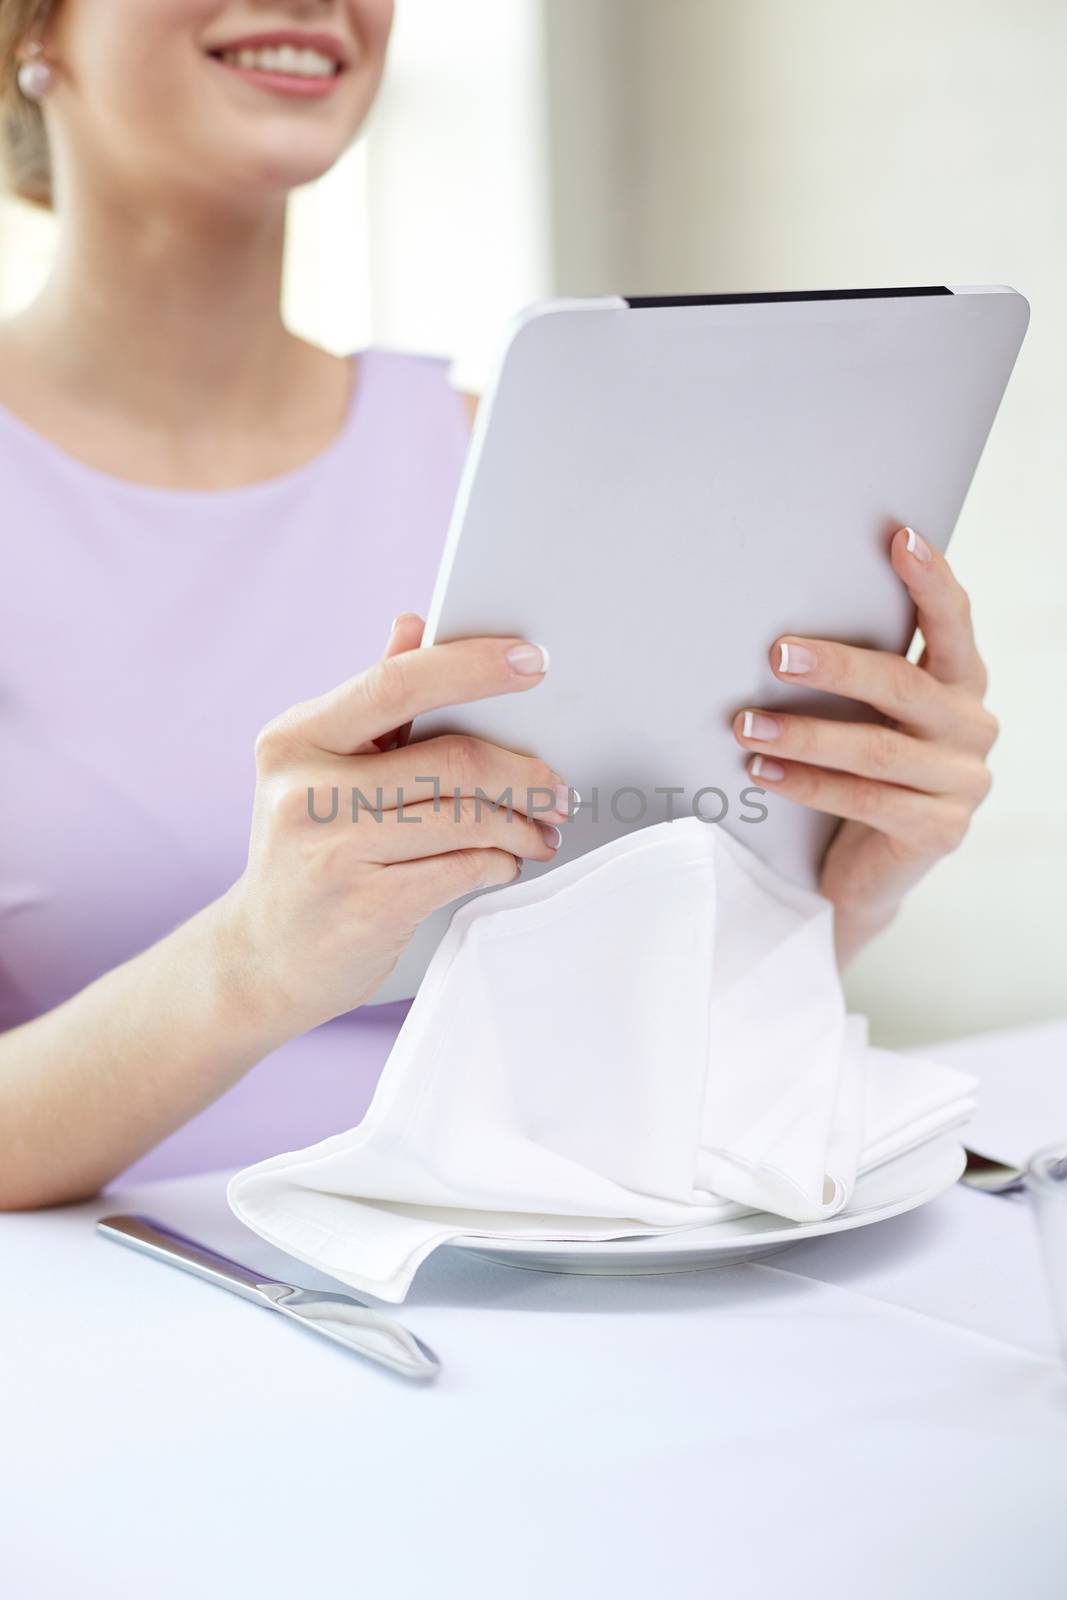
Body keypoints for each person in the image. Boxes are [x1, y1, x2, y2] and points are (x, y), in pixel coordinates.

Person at [0, 0, 999, 1211]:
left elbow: (635, 1024)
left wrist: (841, 886)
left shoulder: (497, 454)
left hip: (494, 1310)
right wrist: (254, 961)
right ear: (30, 30)